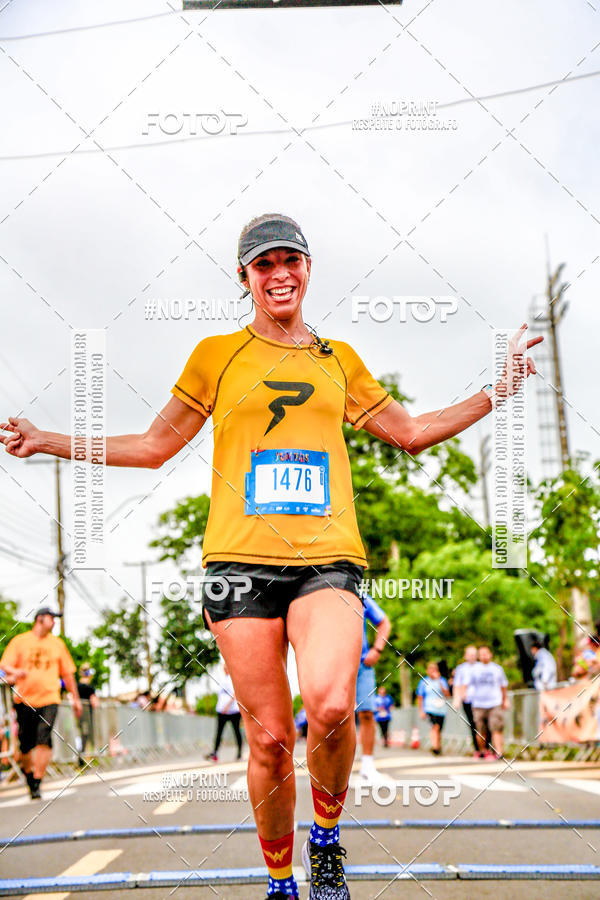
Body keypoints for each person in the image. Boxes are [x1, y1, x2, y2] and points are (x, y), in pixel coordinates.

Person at [1, 213, 542, 899]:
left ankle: (325, 840)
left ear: (309, 268)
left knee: (333, 704)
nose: (279, 274)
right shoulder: (216, 355)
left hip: (328, 560)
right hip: (238, 567)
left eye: (291, 260)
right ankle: (280, 881)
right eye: (264, 264)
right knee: (270, 742)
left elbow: (411, 433)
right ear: (245, 277)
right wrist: (47, 438)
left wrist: (499, 390)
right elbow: (152, 445)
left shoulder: (339, 360)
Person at [0, 608, 82, 799]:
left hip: (50, 698)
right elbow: (4, 664)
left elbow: (67, 674)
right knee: (26, 745)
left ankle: (37, 780)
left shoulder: (57, 644)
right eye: (51, 618)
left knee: (44, 738)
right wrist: (16, 672)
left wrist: (75, 698)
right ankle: (29, 776)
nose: (53, 622)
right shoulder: (20, 641)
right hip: (24, 700)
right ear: (40, 619)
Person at [355, 593, 390, 782]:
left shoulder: (360, 594)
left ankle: (367, 765)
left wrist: (376, 650)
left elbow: (384, 622)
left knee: (367, 713)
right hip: (332, 664)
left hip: (362, 665)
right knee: (334, 716)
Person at [470, 646, 509, 759]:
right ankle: (483, 750)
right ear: (478, 656)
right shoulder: (474, 669)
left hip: (494, 702)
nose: (484, 656)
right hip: (478, 703)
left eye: (486, 653)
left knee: (496, 727)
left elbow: (503, 685)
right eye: (481, 654)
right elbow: (468, 686)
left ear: (490, 654)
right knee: (481, 730)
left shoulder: (497, 669)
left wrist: (504, 699)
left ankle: (499, 752)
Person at [206, 663, 243, 762]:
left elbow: (236, 694)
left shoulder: (233, 679)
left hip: (233, 711)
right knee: (219, 733)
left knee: (236, 732)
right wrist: (221, 707)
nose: (225, 669)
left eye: (226, 667)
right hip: (222, 712)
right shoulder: (223, 680)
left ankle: (239, 753)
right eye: (224, 668)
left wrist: (228, 705)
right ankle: (215, 753)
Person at [416, 662, 450, 755]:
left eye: (434, 669)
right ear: (427, 671)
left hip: (441, 709)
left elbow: (447, 694)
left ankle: (438, 746)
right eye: (430, 669)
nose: (432, 671)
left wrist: (439, 681)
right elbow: (420, 697)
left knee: (439, 728)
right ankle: (435, 747)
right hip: (429, 708)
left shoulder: (442, 680)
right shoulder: (423, 682)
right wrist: (421, 710)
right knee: (434, 727)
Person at [452, 645, 479, 754]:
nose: (472, 656)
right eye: (470, 654)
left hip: (482, 701)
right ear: (466, 656)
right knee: (473, 724)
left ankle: (487, 746)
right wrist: (456, 699)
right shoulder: (461, 669)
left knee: (483, 724)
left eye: (474, 654)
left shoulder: (481, 666)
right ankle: (478, 748)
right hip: (468, 700)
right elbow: (457, 685)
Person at [76, 662, 99, 767]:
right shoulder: (90, 688)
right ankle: (86, 758)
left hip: (77, 715)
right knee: (87, 736)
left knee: (81, 735)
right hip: (87, 715)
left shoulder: (76, 686)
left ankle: (82, 758)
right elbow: (95, 702)